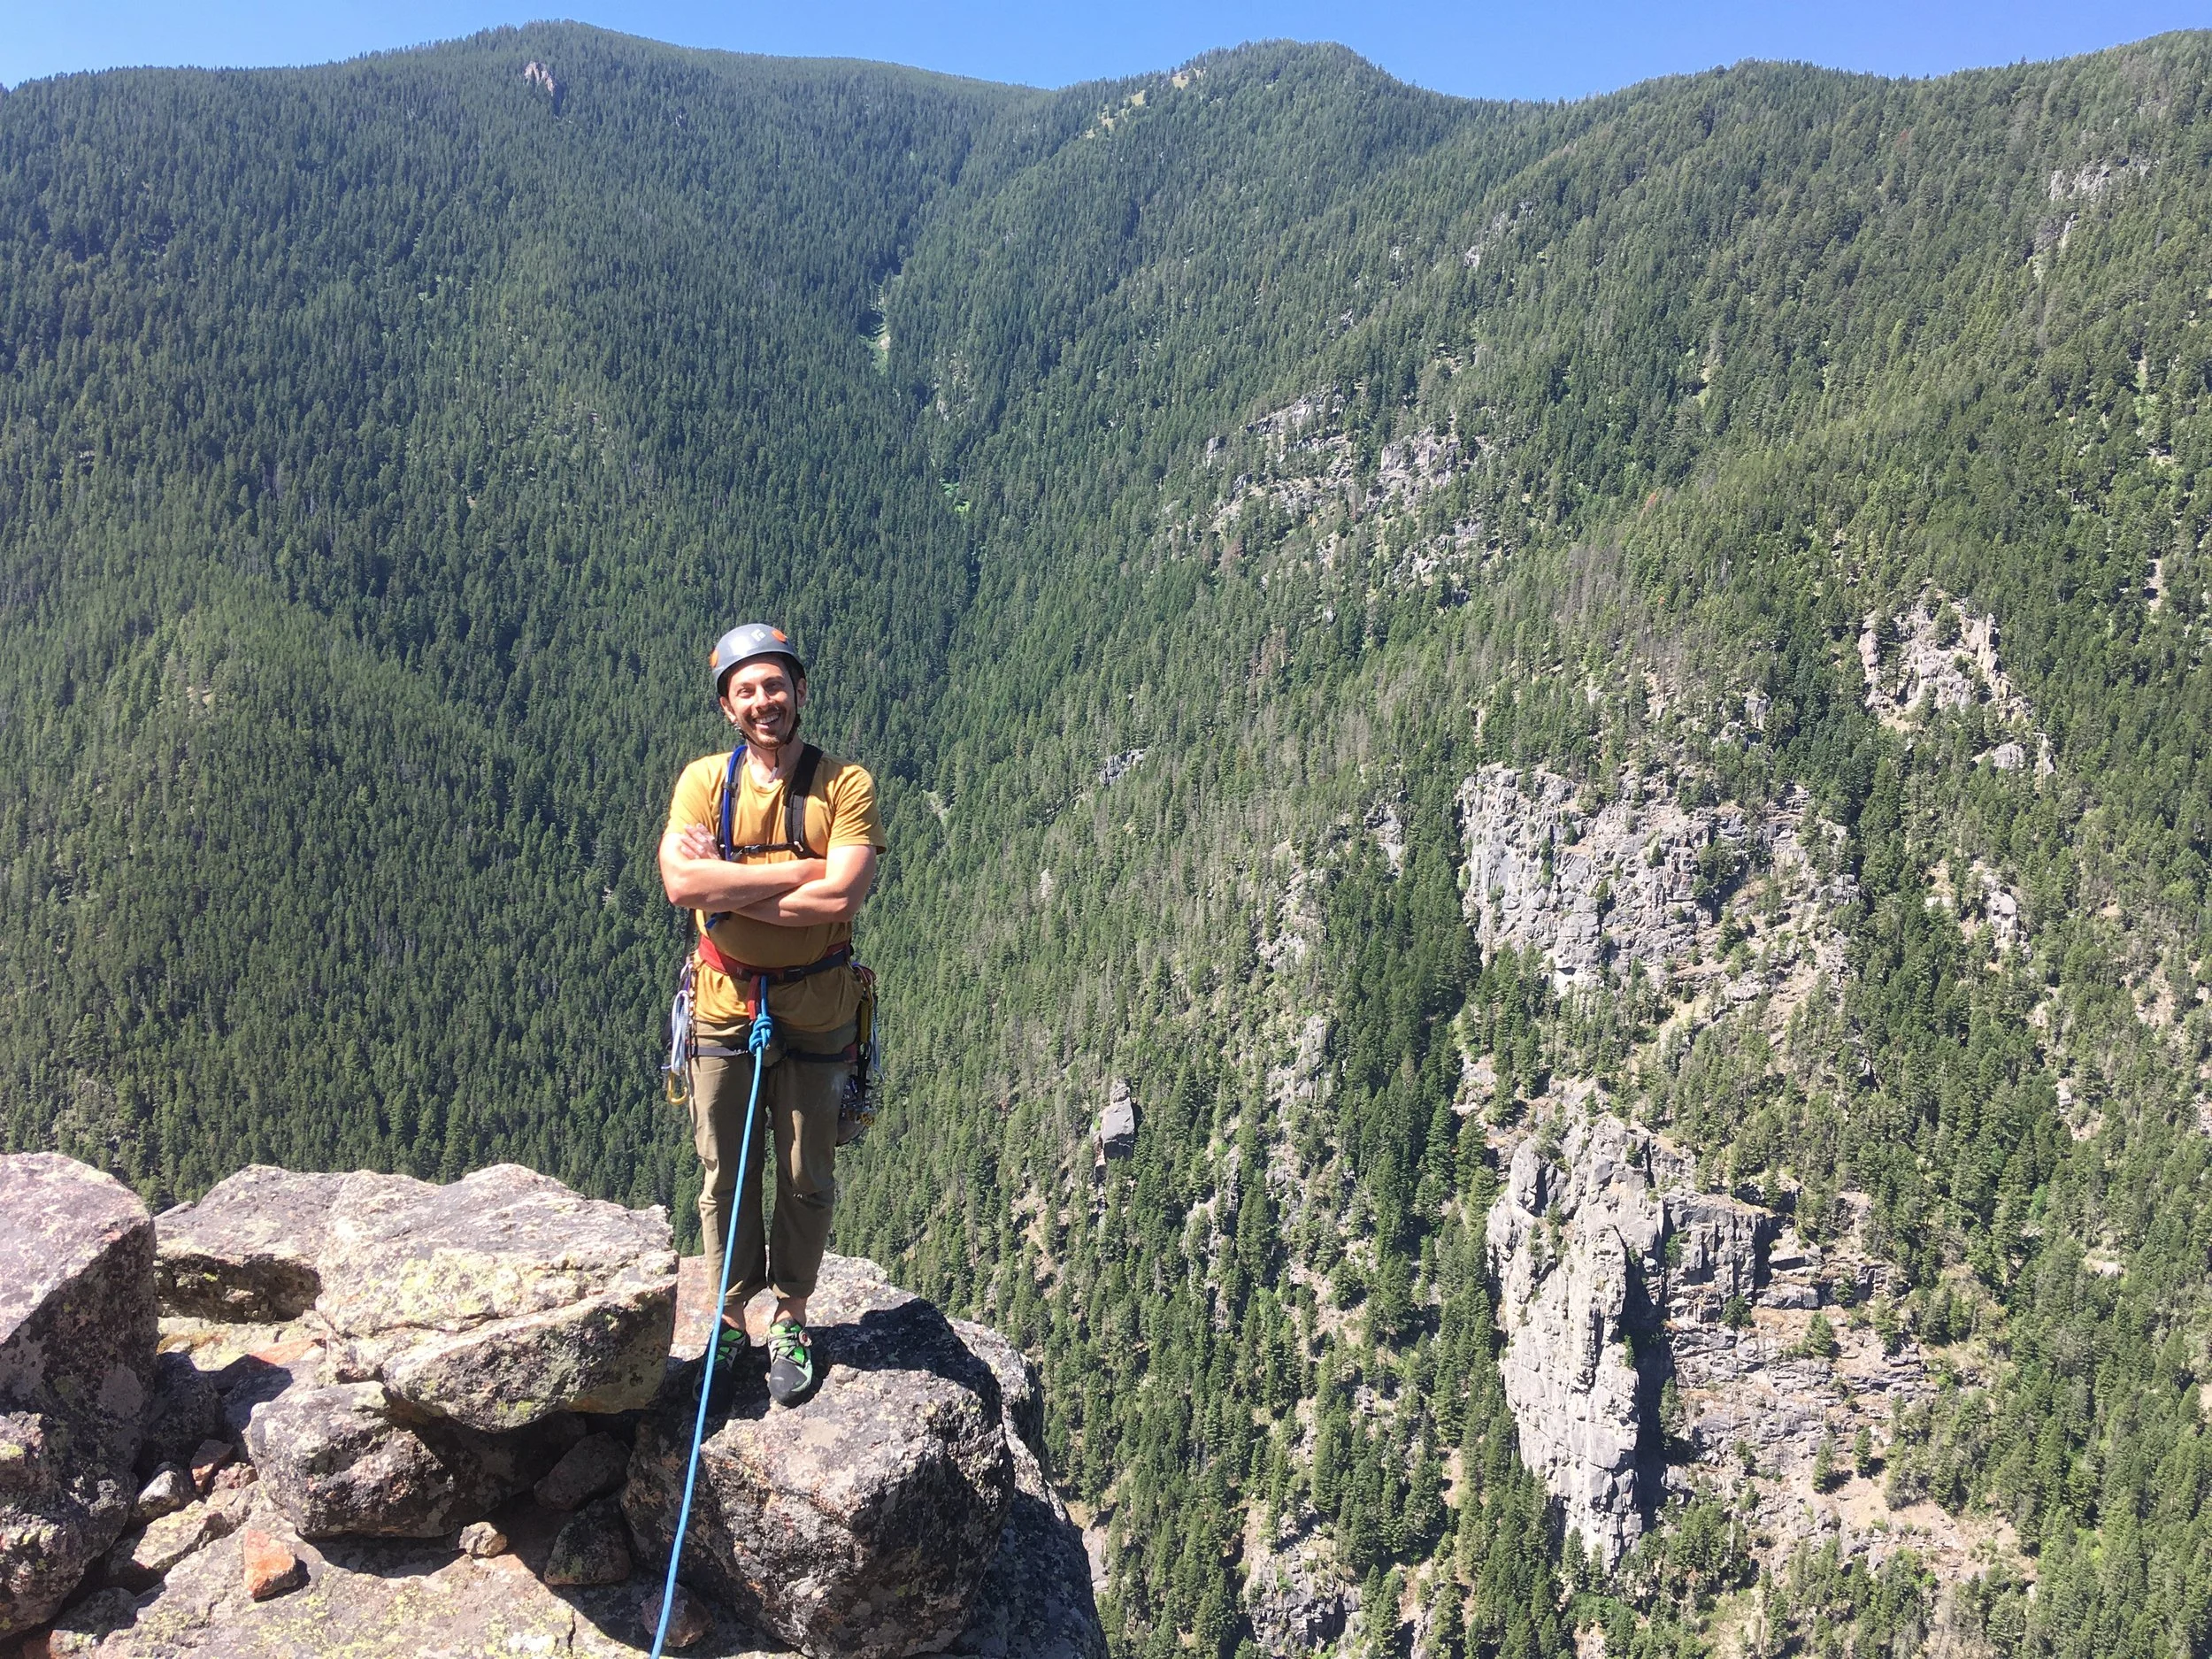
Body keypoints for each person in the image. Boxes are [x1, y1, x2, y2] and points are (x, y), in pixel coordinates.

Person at [658, 624, 882, 1405]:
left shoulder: (844, 784)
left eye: (775, 686)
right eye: (746, 690)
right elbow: (680, 888)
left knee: (803, 1172)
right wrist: (800, 871)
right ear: (727, 705)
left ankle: (790, 1312)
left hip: (818, 1008)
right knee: (725, 1170)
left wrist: (728, 877)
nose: (764, 702)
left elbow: (843, 895)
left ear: (800, 692)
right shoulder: (703, 783)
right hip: (724, 1004)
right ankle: (727, 1313)